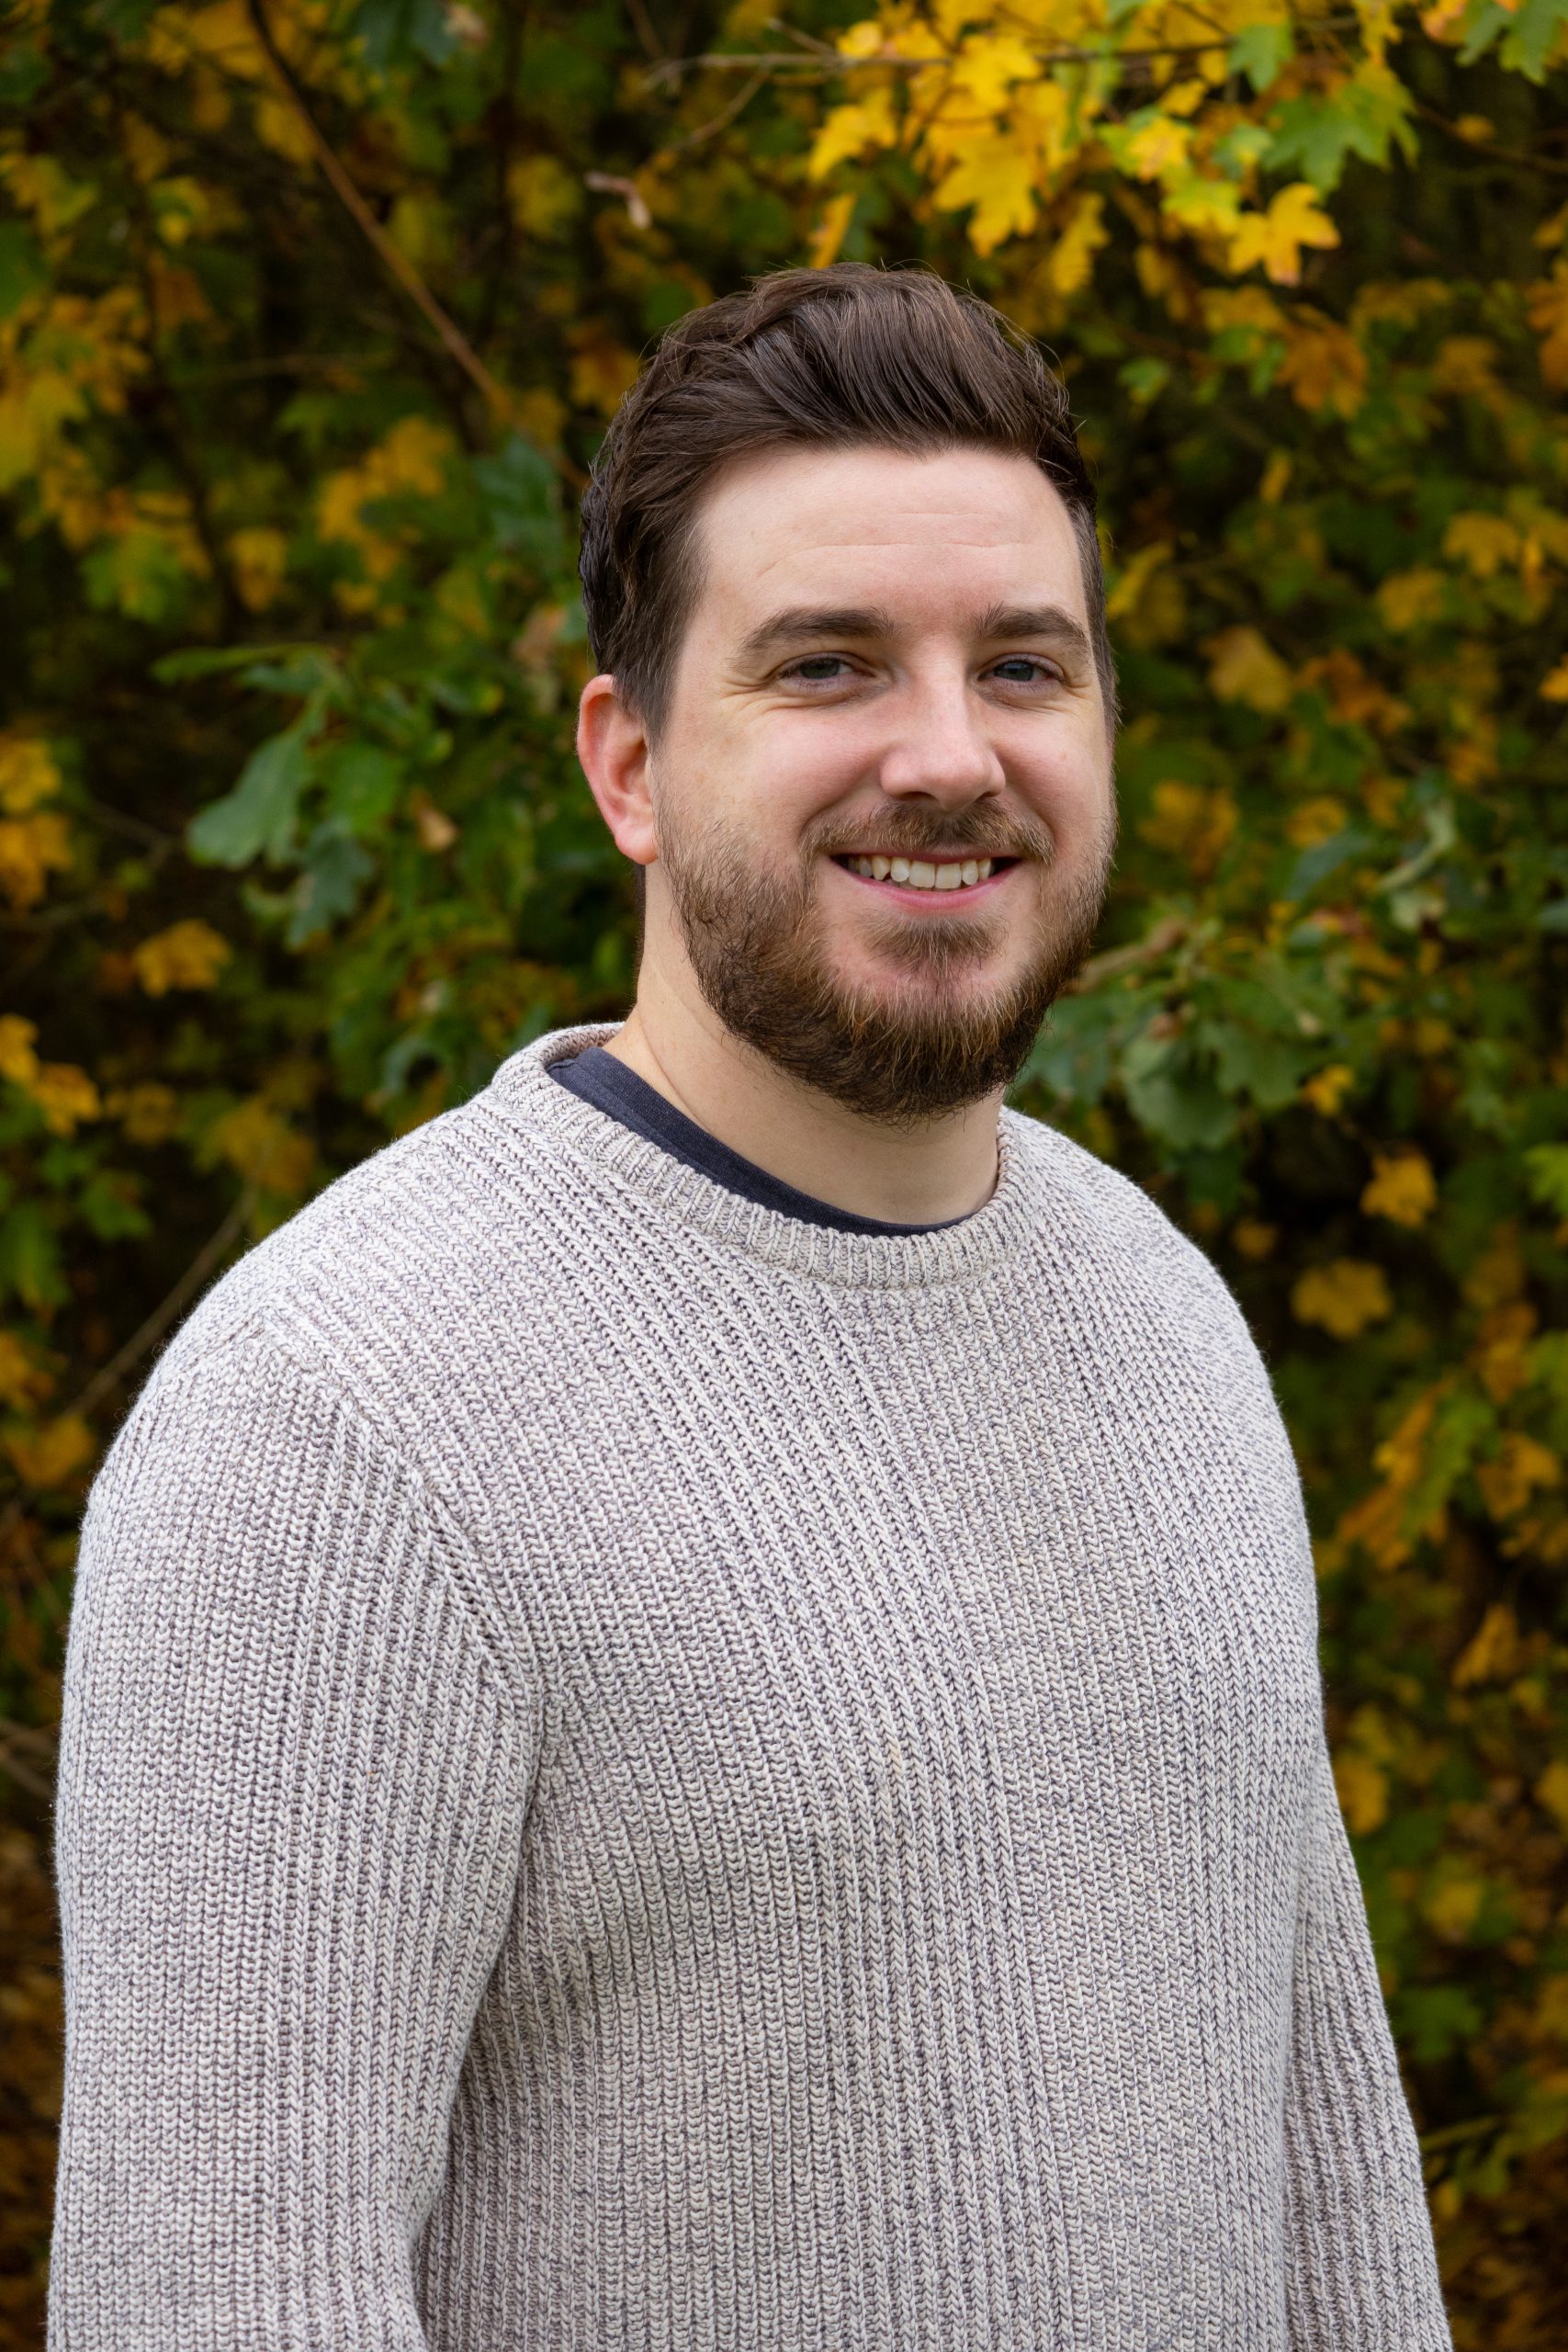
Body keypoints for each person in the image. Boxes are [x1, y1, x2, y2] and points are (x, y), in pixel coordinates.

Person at [50, 265, 1452, 2350]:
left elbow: (1327, 2178)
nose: (947, 754)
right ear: (626, 763)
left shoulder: (1160, 1320)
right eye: (826, 665)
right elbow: (217, 2297)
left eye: (1022, 665)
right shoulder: (339, 1422)